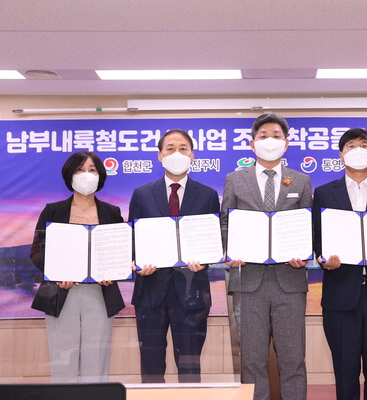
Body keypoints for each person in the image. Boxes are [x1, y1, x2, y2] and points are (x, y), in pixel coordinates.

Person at [220, 113, 312, 400]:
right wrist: (229, 251)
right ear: (252, 144)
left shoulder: (301, 180)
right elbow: (225, 223)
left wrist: (304, 253)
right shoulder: (235, 179)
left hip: (289, 281)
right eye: (263, 136)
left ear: (286, 143)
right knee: (252, 361)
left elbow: (307, 226)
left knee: (293, 360)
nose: (269, 140)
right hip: (248, 281)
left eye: (276, 135)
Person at [312, 128, 367, 400]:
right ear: (341, 155)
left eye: (365, 145)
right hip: (341, 294)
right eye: (351, 146)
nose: (358, 150)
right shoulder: (324, 192)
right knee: (345, 371)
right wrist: (322, 259)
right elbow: (317, 236)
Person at [129, 129, 220, 383]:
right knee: (151, 366)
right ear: (160, 155)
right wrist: (137, 263)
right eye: (170, 148)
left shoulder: (208, 195)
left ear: (192, 155)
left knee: (190, 366)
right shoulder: (142, 193)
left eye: (183, 148)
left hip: (192, 292)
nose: (176, 153)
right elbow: (133, 238)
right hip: (150, 291)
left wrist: (205, 260)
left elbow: (213, 238)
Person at [30, 151, 126, 382]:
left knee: (97, 361)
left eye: (92, 170)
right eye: (80, 170)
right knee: (63, 360)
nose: (86, 175)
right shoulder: (52, 211)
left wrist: (112, 272)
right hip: (60, 292)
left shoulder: (112, 212)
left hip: (100, 293)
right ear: (69, 175)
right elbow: (37, 252)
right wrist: (57, 274)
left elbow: (121, 250)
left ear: (100, 176)